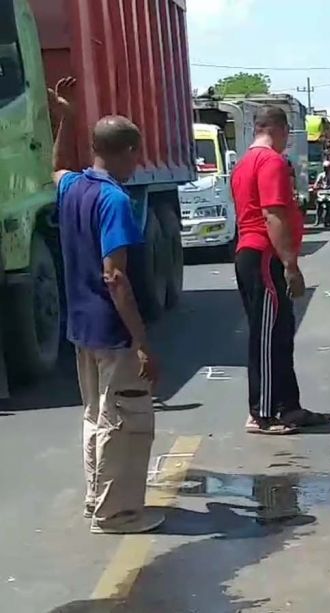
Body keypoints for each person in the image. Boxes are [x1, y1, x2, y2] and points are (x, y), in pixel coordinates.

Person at [51, 77, 164, 534]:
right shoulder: (113, 199)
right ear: (127, 150)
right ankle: (115, 514)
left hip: (81, 326)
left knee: (97, 417)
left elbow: (56, 168)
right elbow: (115, 277)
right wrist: (142, 343)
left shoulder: (73, 187)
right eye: (135, 153)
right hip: (111, 329)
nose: (137, 162)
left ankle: (97, 500)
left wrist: (67, 120)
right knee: (123, 421)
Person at [230, 106, 330, 435]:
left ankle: (289, 407)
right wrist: (290, 264)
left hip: (255, 253)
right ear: (280, 130)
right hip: (263, 254)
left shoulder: (244, 163)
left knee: (282, 331)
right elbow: (273, 214)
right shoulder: (270, 161)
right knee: (266, 335)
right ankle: (262, 413)